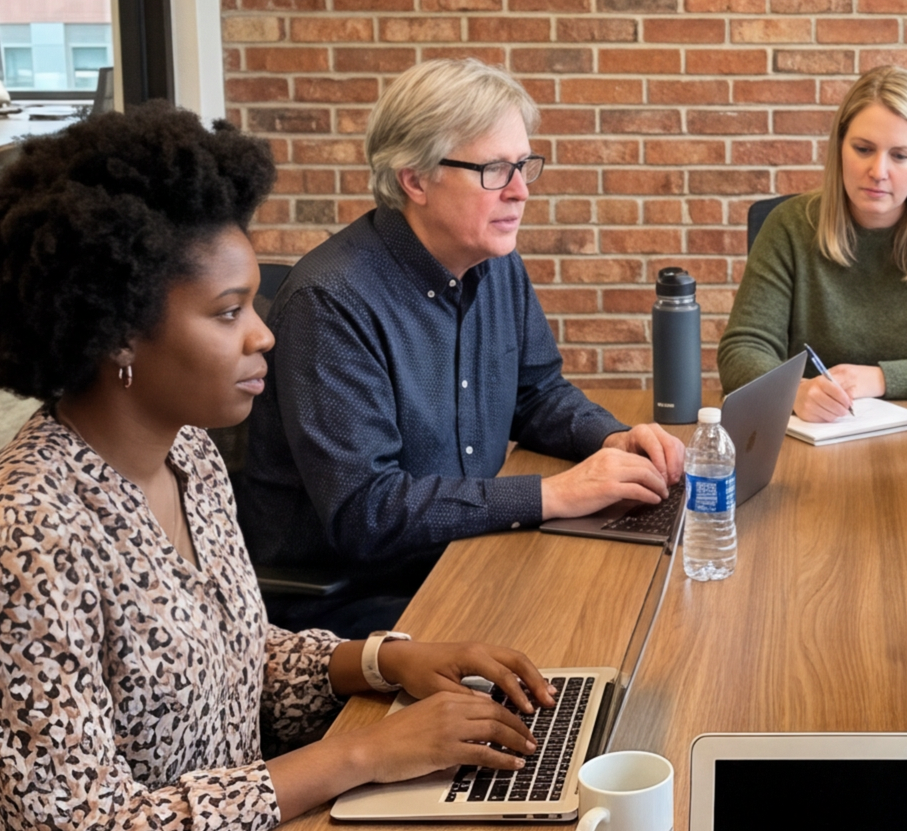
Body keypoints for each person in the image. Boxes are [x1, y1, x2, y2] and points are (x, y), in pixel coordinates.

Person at [0, 102, 555, 831]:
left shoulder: (187, 457)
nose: (262, 333)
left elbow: (225, 656)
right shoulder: (21, 539)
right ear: (117, 332)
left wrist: (381, 662)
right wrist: (356, 755)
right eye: (226, 312)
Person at [239, 61, 684, 595]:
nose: (520, 191)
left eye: (524, 165)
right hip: (366, 602)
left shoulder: (493, 261)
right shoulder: (330, 302)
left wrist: (613, 438)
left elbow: (537, 393)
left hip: (467, 554)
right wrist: (555, 494)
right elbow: (367, 511)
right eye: (495, 170)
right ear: (415, 179)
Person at [717, 65, 907, 423]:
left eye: (899, 155)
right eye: (863, 149)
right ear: (839, 148)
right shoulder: (789, 226)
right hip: (817, 436)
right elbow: (741, 351)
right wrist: (794, 391)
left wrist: (881, 378)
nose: (878, 171)